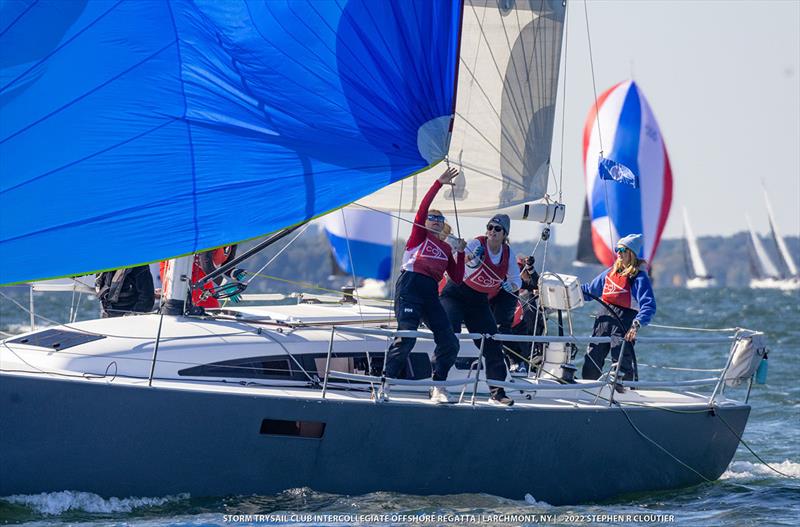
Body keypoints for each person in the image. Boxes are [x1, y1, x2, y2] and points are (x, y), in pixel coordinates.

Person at [382, 167, 466, 404]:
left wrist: (459, 253)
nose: (436, 222)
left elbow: (457, 279)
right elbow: (421, 209)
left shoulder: (446, 248)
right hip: (410, 286)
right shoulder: (418, 237)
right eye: (433, 218)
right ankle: (385, 382)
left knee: (450, 341)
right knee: (407, 337)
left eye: (440, 220)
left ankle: (438, 385)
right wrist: (438, 183)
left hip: (430, 293)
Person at [439, 213, 521, 406]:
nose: (492, 231)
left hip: (478, 301)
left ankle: (498, 392)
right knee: (451, 336)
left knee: (492, 343)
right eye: (490, 227)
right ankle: (438, 385)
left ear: (505, 234)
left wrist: (512, 287)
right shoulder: (477, 244)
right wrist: (469, 258)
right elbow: (463, 260)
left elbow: (516, 279)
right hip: (456, 294)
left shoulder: (507, 253)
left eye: (497, 229)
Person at [580, 233, 656, 391]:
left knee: (621, 363)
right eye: (617, 250)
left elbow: (648, 305)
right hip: (602, 322)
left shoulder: (638, 277)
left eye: (622, 250)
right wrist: (567, 291)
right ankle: (587, 390)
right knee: (592, 359)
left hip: (623, 323)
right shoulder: (609, 273)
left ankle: (626, 393)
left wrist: (636, 325)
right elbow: (590, 291)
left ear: (631, 253)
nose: (619, 254)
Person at [497, 255, 545, 374]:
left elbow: (535, 284)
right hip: (500, 325)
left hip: (519, 328)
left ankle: (520, 364)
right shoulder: (497, 278)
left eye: (520, 269)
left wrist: (530, 268)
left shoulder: (519, 286)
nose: (516, 272)